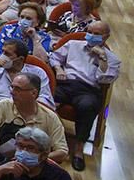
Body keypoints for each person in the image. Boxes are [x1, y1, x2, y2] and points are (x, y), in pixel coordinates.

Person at [50, 21, 120, 170]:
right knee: (46, 96)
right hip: (66, 83)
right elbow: (54, 57)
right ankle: (52, 135)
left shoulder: (112, 59)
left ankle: (79, 148)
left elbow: (105, 79)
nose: (91, 35)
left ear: (106, 37)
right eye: (89, 31)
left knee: (87, 106)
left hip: (88, 89)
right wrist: (58, 69)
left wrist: (102, 58)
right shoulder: (73, 44)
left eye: (96, 34)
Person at [0, 72, 68, 165]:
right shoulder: (3, 105)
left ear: (33, 93)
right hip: (2, 163)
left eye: (18, 89)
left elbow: (62, 152)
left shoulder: (50, 117)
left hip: (35, 168)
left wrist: (33, 158)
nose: (12, 92)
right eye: (12, 87)